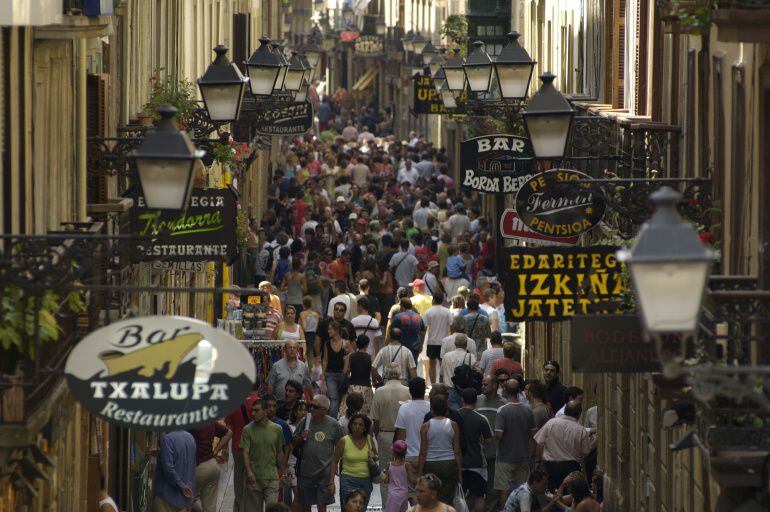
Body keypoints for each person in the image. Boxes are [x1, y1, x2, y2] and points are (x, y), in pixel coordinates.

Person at [293, 395, 343, 512]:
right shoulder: (305, 421)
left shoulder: (333, 424)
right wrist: (301, 437)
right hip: (306, 472)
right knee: (305, 505)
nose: (311, 409)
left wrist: (335, 466)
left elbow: (341, 446)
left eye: (315, 407)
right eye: (310, 405)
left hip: (324, 473)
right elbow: (293, 441)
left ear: (324, 410)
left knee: (322, 505)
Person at [371, 364, 411, 503]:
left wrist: (377, 435)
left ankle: (386, 507)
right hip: (404, 436)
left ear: (385, 375)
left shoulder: (380, 392)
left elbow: (375, 419)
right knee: (404, 473)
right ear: (400, 375)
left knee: (385, 475)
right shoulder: (408, 391)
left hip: (385, 435)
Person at [534, 401, 595, 492]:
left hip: (552, 466)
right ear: (579, 414)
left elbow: (539, 443)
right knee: (571, 493)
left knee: (553, 492)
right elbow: (585, 452)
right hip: (571, 467)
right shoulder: (580, 430)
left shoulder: (551, 423)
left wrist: (538, 461)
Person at [241, 399, 289, 512]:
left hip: (272, 476)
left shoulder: (277, 429)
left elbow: (279, 452)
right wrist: (248, 471)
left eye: (257, 411)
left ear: (266, 411)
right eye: (252, 411)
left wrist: (282, 473)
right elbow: (245, 452)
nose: (253, 414)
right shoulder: (247, 430)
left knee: (273, 509)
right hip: (254, 477)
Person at [494, 380, 536, 508]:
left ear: (505, 390)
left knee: (504, 489)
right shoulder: (528, 410)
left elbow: (499, 435)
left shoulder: (502, 410)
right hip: (522, 456)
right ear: (519, 391)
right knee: (523, 489)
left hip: (505, 457)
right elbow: (534, 435)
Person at [418, 394, 462, 505]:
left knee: (432, 497)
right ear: (446, 408)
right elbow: (457, 451)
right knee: (447, 498)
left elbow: (423, 452)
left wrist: (420, 471)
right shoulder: (453, 425)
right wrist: (459, 472)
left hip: (431, 463)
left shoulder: (426, 426)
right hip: (449, 463)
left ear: (431, 408)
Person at [328, 413, 378, 507]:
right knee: (348, 508)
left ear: (365, 427)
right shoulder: (344, 441)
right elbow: (334, 461)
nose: (357, 427)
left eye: (361, 425)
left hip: (366, 480)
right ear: (350, 425)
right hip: (348, 480)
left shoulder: (369, 439)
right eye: (355, 424)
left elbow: (376, 456)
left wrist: (374, 456)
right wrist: (331, 482)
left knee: (361, 508)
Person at [225, 381, 261, 512]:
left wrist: (224, 450)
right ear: (259, 387)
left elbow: (228, 429)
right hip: (255, 449)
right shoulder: (261, 404)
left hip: (238, 447)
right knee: (253, 483)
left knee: (239, 482)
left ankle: (239, 507)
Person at [394, 378, 431, 499]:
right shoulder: (431, 408)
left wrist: (398, 458)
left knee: (412, 493)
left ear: (410, 391)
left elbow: (401, 437)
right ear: (424, 390)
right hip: (427, 456)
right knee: (427, 491)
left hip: (409, 456)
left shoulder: (404, 408)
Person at [458, 389, 493, 512]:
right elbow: (489, 441)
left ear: (462, 399)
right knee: (479, 496)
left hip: (459, 463)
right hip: (477, 463)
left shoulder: (454, 417)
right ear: (476, 400)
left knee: (458, 496)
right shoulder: (481, 419)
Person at [475, 375, 506, 512]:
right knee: (477, 488)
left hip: (495, 452)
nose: (483, 387)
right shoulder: (476, 401)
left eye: (485, 384)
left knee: (493, 488)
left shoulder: (503, 404)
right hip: (478, 453)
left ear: (494, 385)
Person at [188, 421, 232, 512]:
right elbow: (228, 433)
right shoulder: (209, 422)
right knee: (210, 506)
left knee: (188, 499)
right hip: (212, 465)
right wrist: (215, 451)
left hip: (197, 466)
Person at [152, 430, 196, 512]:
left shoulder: (168, 439)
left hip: (167, 496)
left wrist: (181, 485)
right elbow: (191, 465)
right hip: (185, 498)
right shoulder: (190, 438)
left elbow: (168, 469)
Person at [339, 335, 376, 417]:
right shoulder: (370, 358)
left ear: (357, 344)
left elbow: (345, 371)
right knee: (365, 414)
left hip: (352, 387)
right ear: (367, 345)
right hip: (366, 387)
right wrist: (374, 381)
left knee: (349, 413)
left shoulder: (350, 356)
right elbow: (373, 371)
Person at [422, 292, 453, 385]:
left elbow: (424, 328)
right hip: (444, 342)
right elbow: (451, 326)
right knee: (442, 365)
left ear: (433, 300)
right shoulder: (447, 311)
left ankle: (433, 384)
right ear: (442, 300)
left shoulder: (428, 312)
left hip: (431, 342)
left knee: (432, 365)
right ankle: (442, 383)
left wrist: (422, 342)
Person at [441, 335, 476, 409]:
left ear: (455, 343)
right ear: (466, 344)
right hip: (466, 392)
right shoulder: (470, 356)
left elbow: (442, 374)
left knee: (454, 417)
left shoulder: (446, 356)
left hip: (450, 390)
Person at [322, 320, 349, 418]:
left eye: (330, 329)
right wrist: (323, 375)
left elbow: (347, 357)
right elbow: (325, 360)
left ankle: (339, 419)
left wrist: (345, 371)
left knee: (341, 398)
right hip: (330, 374)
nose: (328, 331)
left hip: (342, 374)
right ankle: (333, 420)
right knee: (333, 398)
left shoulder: (345, 343)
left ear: (337, 330)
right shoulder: (327, 344)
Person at [391, 298, 426, 364]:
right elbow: (423, 331)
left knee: (401, 367)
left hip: (401, 347)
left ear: (402, 306)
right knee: (413, 366)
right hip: (415, 347)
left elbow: (393, 331)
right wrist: (421, 345)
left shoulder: (398, 316)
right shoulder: (419, 317)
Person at [383, 440, 415, 512]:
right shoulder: (407, 465)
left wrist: (383, 472)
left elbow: (386, 481)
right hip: (404, 494)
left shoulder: (389, 465)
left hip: (393, 495)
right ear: (405, 452)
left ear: (394, 452)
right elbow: (412, 479)